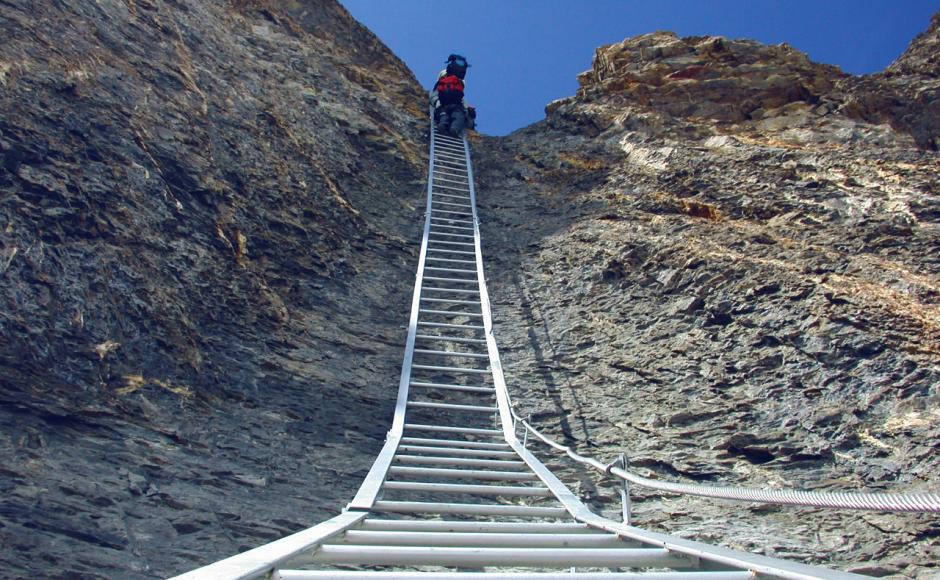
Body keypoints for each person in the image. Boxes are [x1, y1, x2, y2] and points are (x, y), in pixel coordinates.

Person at [430, 54, 474, 137]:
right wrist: (471, 116)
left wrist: (436, 103)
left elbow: (434, 96)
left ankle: (442, 125)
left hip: (442, 106)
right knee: (459, 117)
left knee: (443, 116)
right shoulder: (458, 88)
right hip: (457, 107)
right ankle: (455, 129)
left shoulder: (440, 84)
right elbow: (465, 110)